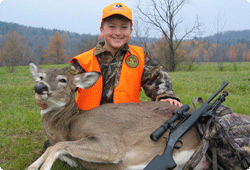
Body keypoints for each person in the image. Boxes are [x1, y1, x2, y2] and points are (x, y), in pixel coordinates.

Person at [36, 2, 182, 111]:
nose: (117, 33)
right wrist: (45, 93)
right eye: (111, 26)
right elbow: (61, 81)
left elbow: (158, 77)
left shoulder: (139, 57)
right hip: (87, 122)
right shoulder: (83, 61)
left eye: (124, 27)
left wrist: (165, 95)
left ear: (131, 31)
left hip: (127, 121)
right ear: (102, 29)